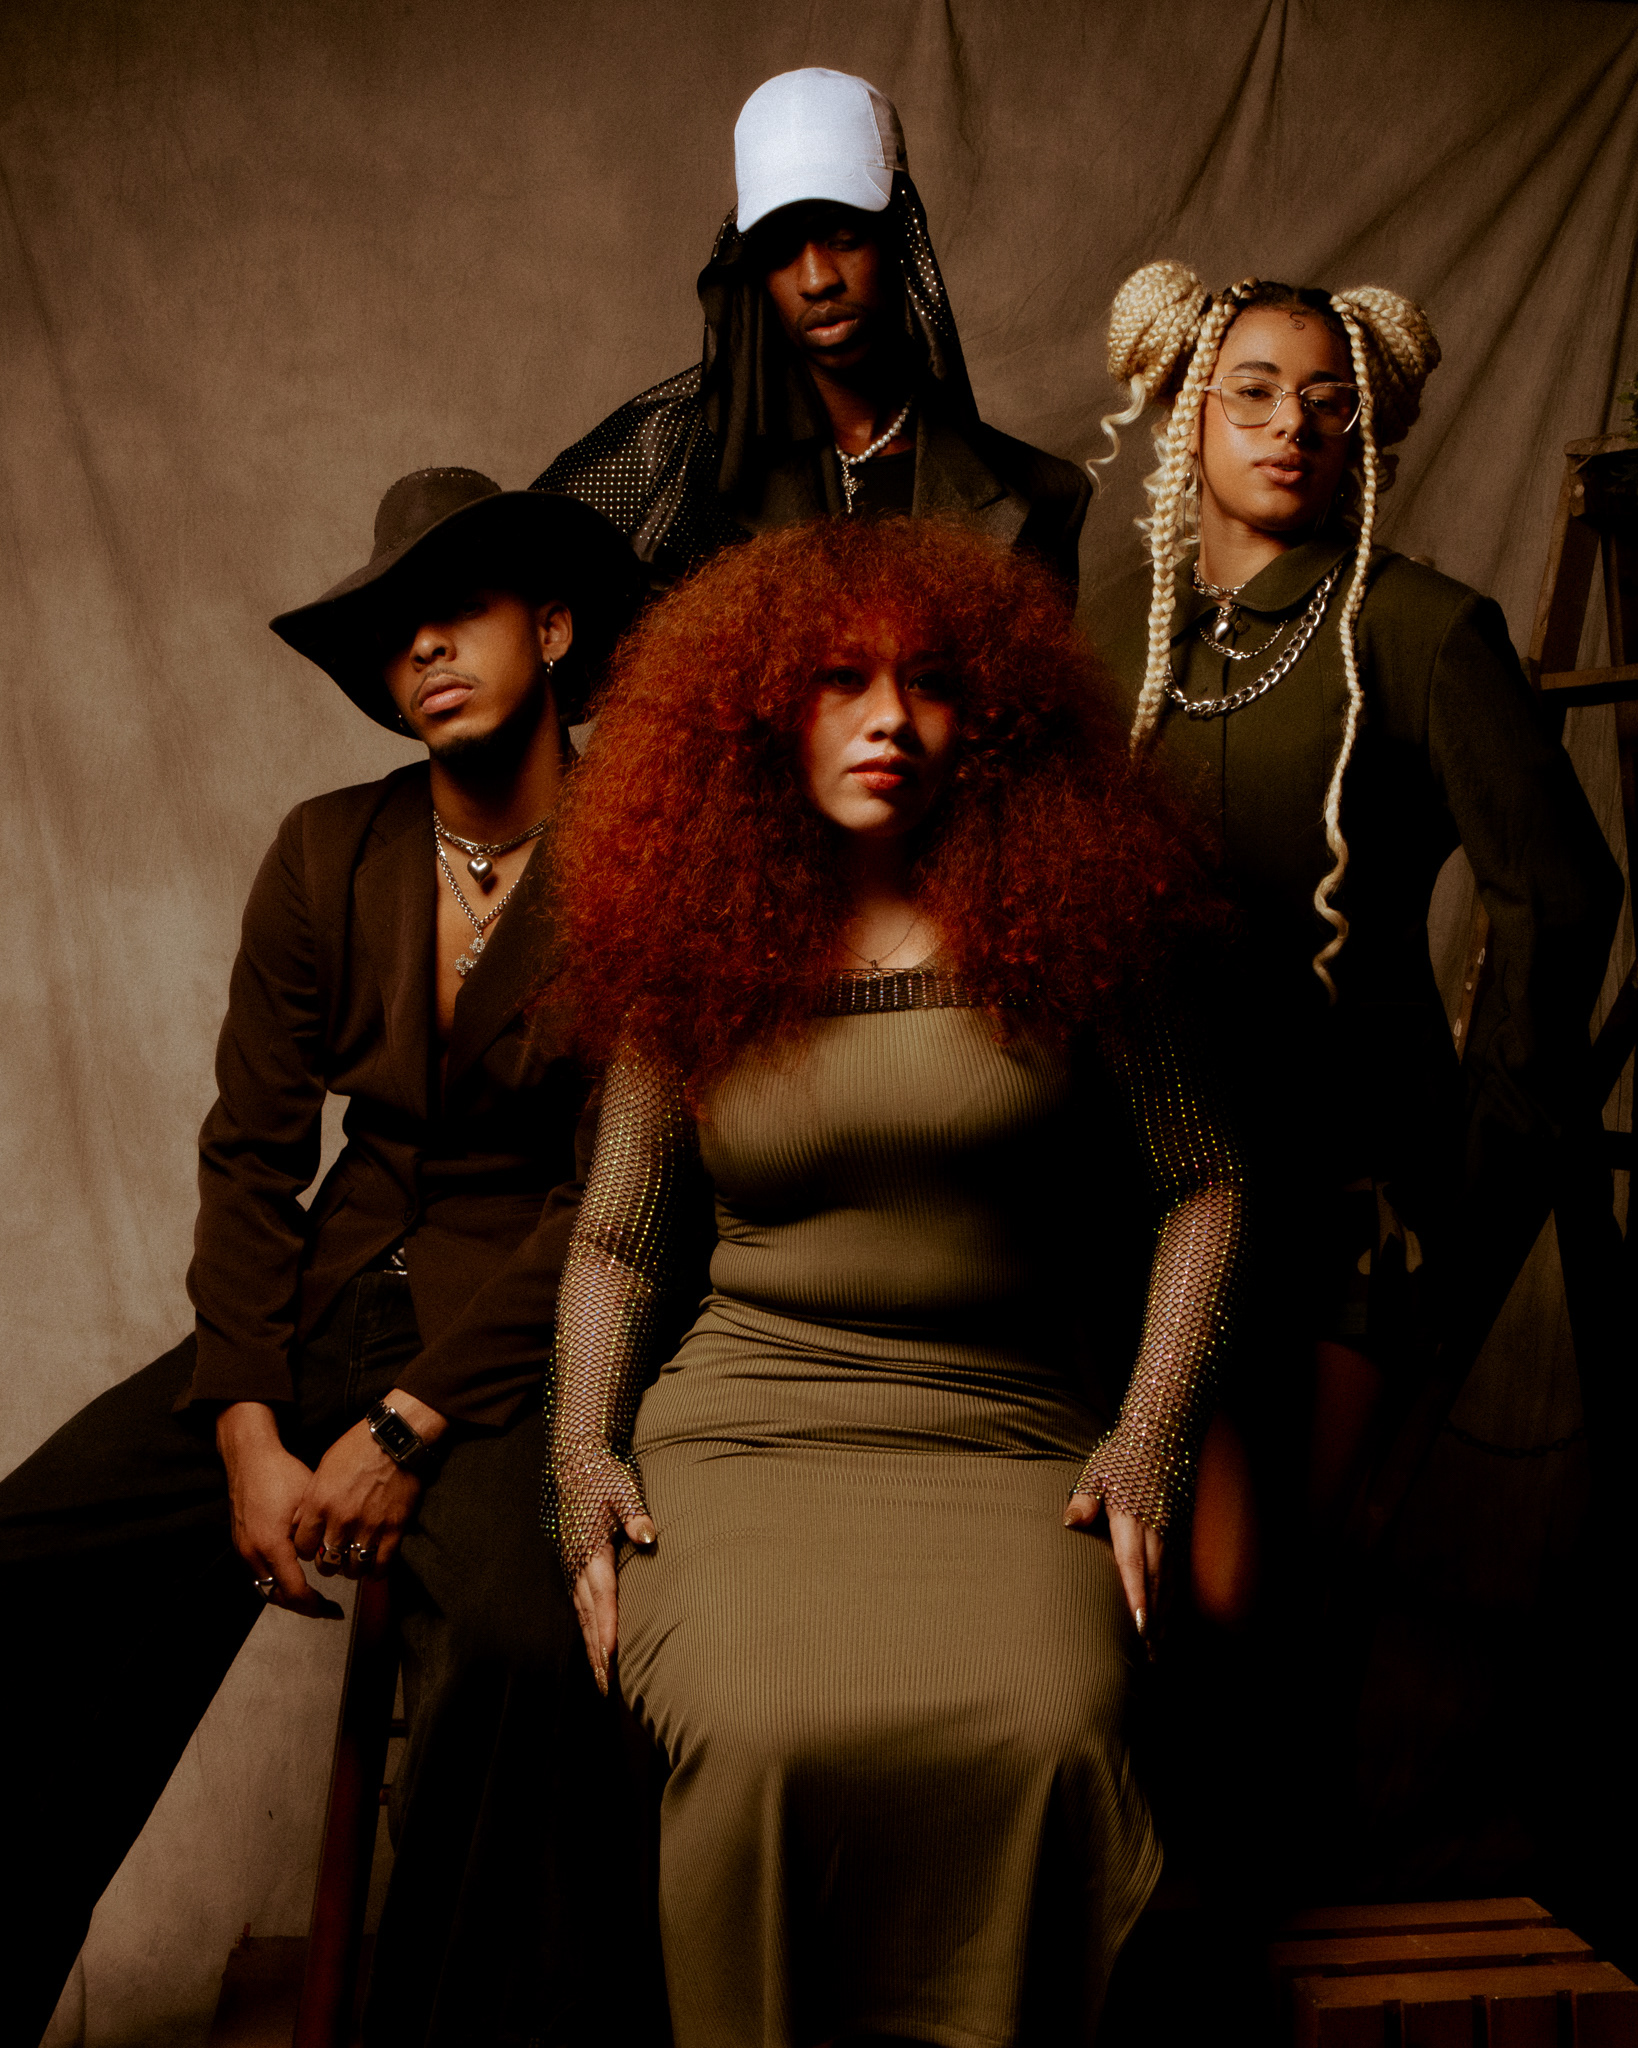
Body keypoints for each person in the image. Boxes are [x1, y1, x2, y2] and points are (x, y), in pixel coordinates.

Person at [542, 516, 1246, 2047]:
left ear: (984, 715)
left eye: (928, 683)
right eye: (840, 681)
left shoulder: (1075, 920)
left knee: (1054, 1739)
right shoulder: (691, 936)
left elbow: (1202, 1182)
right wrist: (580, 1460)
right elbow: (619, 1241)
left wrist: (1147, 1440)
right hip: (748, 1439)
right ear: (759, 710)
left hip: (1003, 1434)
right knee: (759, 1738)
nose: (888, 721)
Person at [0, 468, 642, 2047]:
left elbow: (612, 1202)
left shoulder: (641, 860)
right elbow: (251, 1153)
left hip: (516, 1337)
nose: (420, 647)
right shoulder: (325, 850)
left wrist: (408, 1430)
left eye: (458, 610)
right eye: (393, 630)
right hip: (320, 1301)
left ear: (553, 630)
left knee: (519, 1651)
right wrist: (243, 1424)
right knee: (23, 1562)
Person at [1082, 265, 1623, 1542]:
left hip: (1352, 1199)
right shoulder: (1106, 638)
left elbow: (1561, 894)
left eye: (1329, 402)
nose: (1295, 425)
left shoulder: (1423, 628)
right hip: (1135, 1191)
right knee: (1142, 1576)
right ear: (1190, 408)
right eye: (1256, 392)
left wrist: (1479, 1169)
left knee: (1282, 1586)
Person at [535, 67, 1091, 589]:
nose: (817, 279)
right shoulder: (670, 455)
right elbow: (517, 576)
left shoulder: (1042, 496)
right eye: (780, 250)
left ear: (899, 240)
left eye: (843, 238)